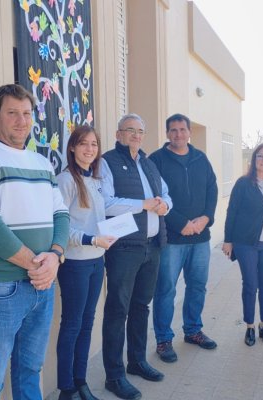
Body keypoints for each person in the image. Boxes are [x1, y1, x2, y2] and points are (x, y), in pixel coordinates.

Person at [0, 83, 70, 399]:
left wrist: (55, 256)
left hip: (42, 286)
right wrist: (39, 265)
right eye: (12, 113)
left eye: (26, 113)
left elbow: (61, 214)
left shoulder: (41, 163)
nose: (21, 121)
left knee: (30, 373)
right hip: (1, 290)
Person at [100, 113, 172, 400]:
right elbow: (106, 203)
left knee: (142, 306)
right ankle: (114, 376)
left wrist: (165, 204)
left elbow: (166, 193)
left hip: (152, 245)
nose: (136, 135)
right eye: (130, 130)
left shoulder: (148, 162)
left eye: (140, 131)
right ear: (118, 134)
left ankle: (137, 361)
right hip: (125, 248)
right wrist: (142, 204)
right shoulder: (107, 161)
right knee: (118, 310)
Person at [149, 113, 219, 363]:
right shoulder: (156, 160)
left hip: (200, 238)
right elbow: (156, 197)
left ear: (189, 132)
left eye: (182, 129)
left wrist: (206, 218)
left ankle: (193, 330)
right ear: (167, 133)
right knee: (166, 289)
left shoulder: (201, 158)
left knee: (197, 286)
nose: (178, 134)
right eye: (173, 130)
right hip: (171, 239)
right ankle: (163, 339)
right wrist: (181, 223)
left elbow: (213, 189)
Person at [56, 126, 117, 400]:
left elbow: (97, 220)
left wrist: (107, 235)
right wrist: (93, 239)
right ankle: (66, 388)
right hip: (75, 264)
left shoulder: (95, 179)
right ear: (72, 147)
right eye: (84, 144)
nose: (89, 149)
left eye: (94, 144)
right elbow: (60, 230)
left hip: (97, 262)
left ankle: (80, 381)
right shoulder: (65, 181)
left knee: (87, 322)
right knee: (71, 324)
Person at [222, 143, 263, 346]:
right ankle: (249, 326)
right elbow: (232, 212)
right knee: (250, 284)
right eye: (260, 156)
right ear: (254, 160)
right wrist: (228, 240)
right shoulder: (243, 183)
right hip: (245, 242)